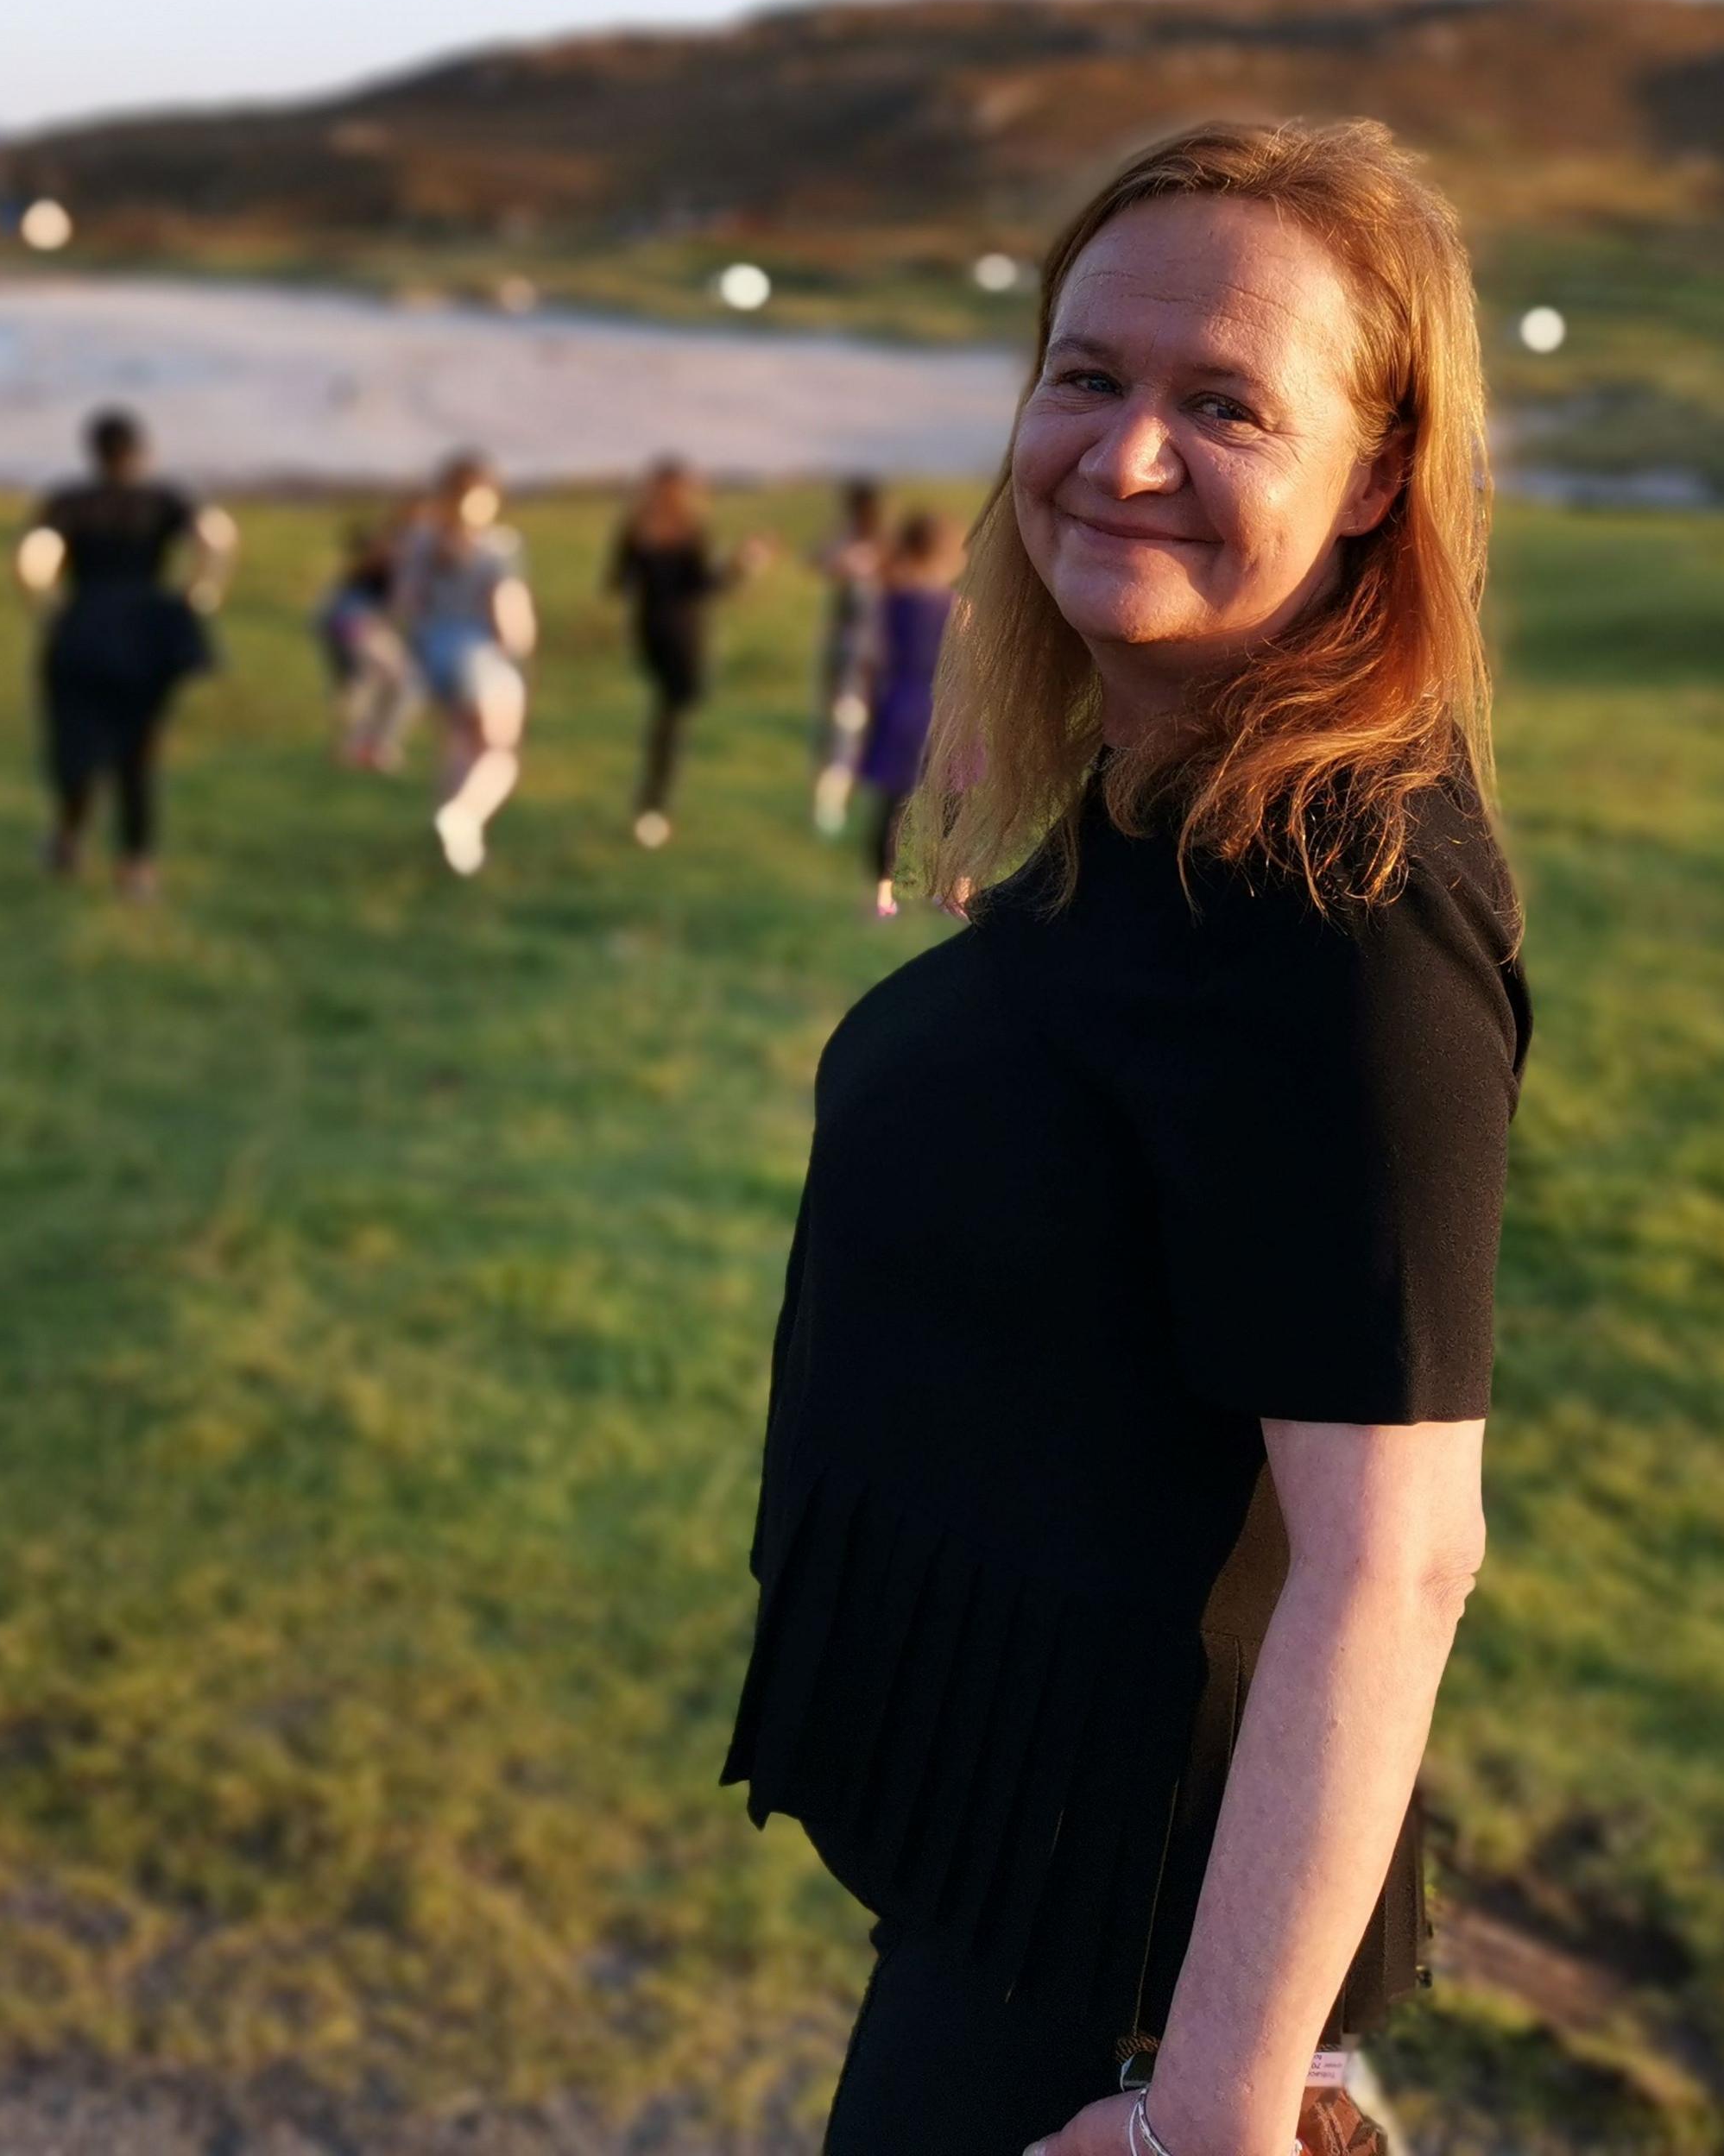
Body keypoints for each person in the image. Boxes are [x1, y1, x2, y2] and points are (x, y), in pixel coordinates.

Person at [720, 119, 1525, 2156]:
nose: (1121, 450)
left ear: (1369, 476)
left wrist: (1206, 2119)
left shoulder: (1341, 898)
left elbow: (1396, 1556)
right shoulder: (1167, 799)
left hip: (1119, 2008)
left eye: (1222, 403)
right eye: (1085, 374)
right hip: (1018, 1910)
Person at [15, 407, 235, 902]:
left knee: (73, 743)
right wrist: (202, 592)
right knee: (139, 751)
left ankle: (69, 837)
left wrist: (44, 605)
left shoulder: (68, 501)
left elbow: (34, 556)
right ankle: (136, 866)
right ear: (140, 450)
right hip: (147, 634)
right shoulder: (164, 499)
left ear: (92, 451)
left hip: (83, 629)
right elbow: (214, 536)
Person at [607, 455, 771, 849]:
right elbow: (704, 586)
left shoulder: (635, 529)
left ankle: (655, 805)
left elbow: (617, 584)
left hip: (648, 632)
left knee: (671, 712)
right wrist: (742, 566)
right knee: (674, 715)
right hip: (683, 633)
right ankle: (654, 807)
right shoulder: (690, 531)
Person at [394, 450, 536, 877]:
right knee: (498, 750)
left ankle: (451, 841)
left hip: (431, 652)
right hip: (479, 657)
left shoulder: (419, 540)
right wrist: (520, 653)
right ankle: (464, 817)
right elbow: (509, 614)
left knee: (456, 744)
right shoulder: (497, 547)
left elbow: (407, 603)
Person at [851, 508, 963, 919]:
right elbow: (972, 663)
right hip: (945, 710)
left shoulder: (888, 604)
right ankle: (952, 888)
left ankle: (882, 896)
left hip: (898, 705)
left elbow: (869, 659)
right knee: (954, 801)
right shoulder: (957, 607)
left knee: (890, 805)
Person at [805, 476, 887, 835]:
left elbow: (819, 559)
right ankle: (833, 807)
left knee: (847, 730)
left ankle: (835, 805)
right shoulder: (872, 549)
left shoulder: (865, 549)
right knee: (848, 730)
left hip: (857, 656)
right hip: (863, 657)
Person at [315, 512, 417, 771]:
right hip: (354, 630)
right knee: (395, 682)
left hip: (360, 632)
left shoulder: (387, 573)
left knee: (383, 686)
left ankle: (367, 747)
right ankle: (372, 748)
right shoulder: (364, 577)